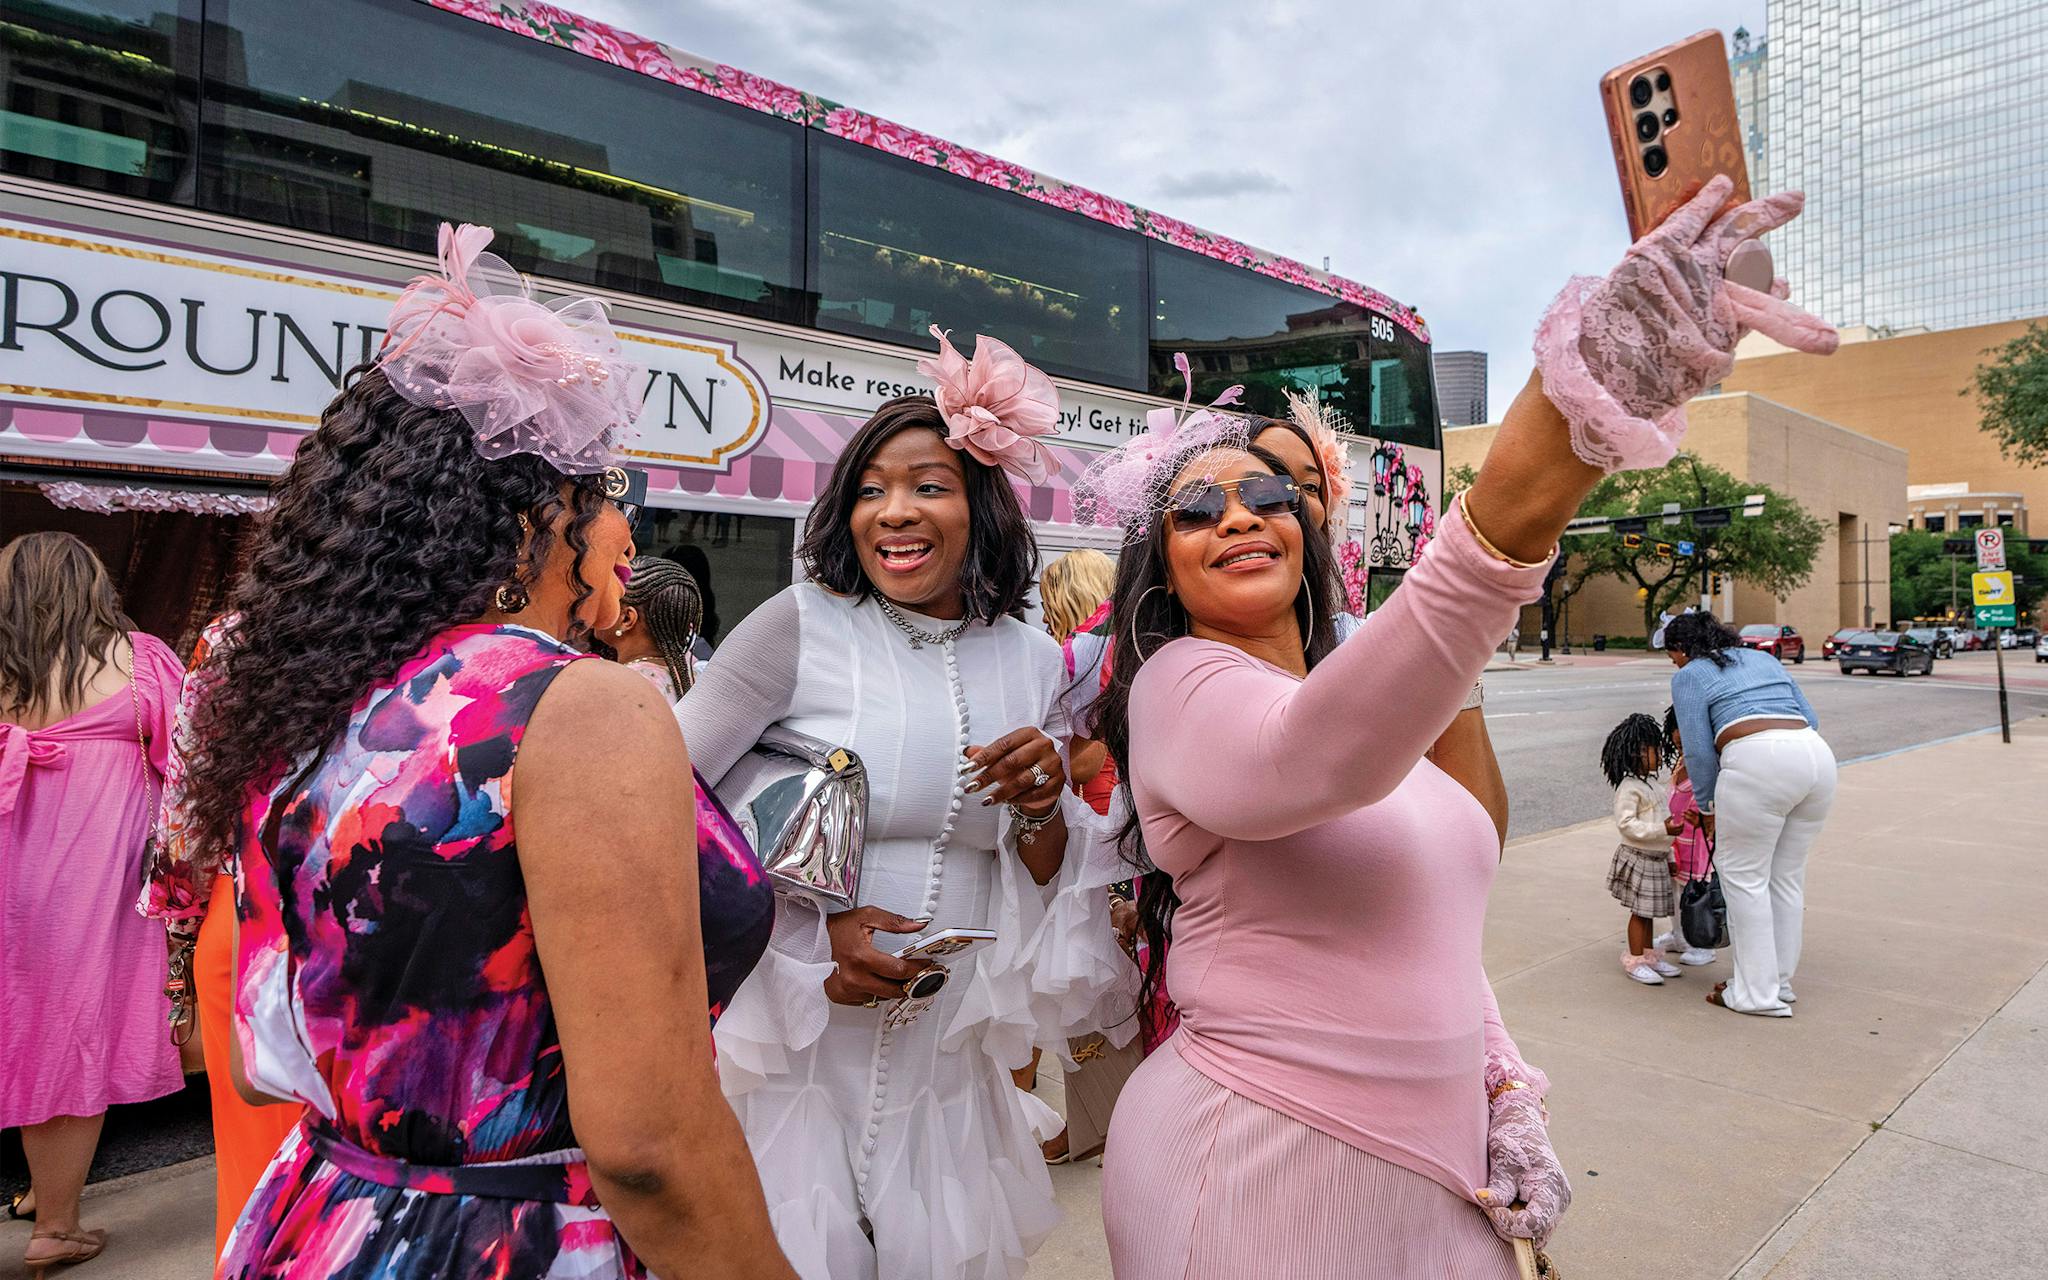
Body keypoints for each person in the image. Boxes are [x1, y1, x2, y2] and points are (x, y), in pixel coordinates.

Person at [1088, 174, 1838, 1277]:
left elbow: (1433, 918)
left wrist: (1501, 1089)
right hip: (1253, 1160)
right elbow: (1316, 755)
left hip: (1439, 1170)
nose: (1237, 513)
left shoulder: (1363, 682)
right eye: (1195, 508)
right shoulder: (1176, 691)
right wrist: (1575, 402)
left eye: (1266, 496)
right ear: (1160, 565)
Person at [173, 224, 794, 1279]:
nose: (624, 538)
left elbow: (257, 1058)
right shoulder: (573, 708)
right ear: (542, 514)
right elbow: (646, 1147)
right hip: (513, 1240)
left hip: (325, 1215)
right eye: (610, 499)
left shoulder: (308, 691)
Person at [678, 329, 1132, 1280]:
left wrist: (1044, 803)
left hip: (946, 1079)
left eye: (929, 485)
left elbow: (1041, 878)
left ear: (979, 506)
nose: (895, 512)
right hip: (796, 1061)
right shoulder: (797, 626)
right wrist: (813, 937)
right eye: (871, 489)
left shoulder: (1027, 658)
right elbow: (667, 799)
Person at [1, 532, 185, 1275]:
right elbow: (192, 760)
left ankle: (43, 1190)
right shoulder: (138, 661)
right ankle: (56, 1223)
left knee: (19, 1027)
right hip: (86, 882)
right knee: (65, 1036)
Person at [138, 615, 302, 1261]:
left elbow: (189, 803)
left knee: (259, 1193)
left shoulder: (240, 635)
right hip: (398, 915)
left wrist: (181, 929)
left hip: (249, 914)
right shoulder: (459, 620)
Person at [1664, 610, 1835, 1018]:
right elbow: (1810, 718)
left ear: (1684, 649)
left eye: (1673, 656)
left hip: (1758, 760)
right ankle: (1779, 981)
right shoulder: (1763, 658)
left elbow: (1699, 750)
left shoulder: (1690, 675)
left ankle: (1756, 994)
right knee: (1786, 879)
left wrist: (1706, 805)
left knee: (1745, 880)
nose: (1674, 665)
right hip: (1816, 757)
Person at [1602, 712, 1683, 986]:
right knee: (1640, 912)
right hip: (1639, 858)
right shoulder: (1629, 788)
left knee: (1649, 913)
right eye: (1653, 750)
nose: (1659, 756)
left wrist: (1669, 853)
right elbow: (1627, 825)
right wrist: (1664, 831)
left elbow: (1661, 820)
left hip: (1656, 857)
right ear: (1635, 753)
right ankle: (1635, 959)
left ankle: (1649, 956)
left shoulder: (1651, 785)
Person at [1655, 704, 1717, 966]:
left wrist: (1705, 817)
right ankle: (1679, 936)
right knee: (1676, 892)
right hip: (1678, 841)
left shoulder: (1709, 767)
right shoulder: (1682, 762)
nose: (1681, 748)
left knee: (1696, 893)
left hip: (1699, 843)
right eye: (1677, 742)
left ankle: (1702, 944)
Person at [604, 554, 706, 703]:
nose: (597, 604)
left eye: (607, 598)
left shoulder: (620, 686)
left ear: (627, 619)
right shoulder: (691, 670)